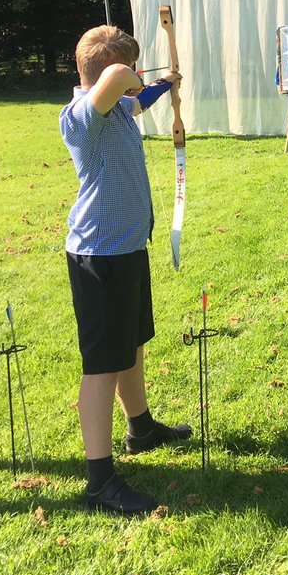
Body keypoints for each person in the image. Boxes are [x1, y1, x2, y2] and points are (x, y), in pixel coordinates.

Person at [61, 25, 191, 514]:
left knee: (130, 346)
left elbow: (136, 96)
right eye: (130, 71)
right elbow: (117, 76)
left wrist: (165, 85)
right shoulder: (80, 118)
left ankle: (141, 427)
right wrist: (133, 75)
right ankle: (98, 480)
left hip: (128, 248)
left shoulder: (116, 109)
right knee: (102, 366)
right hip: (99, 256)